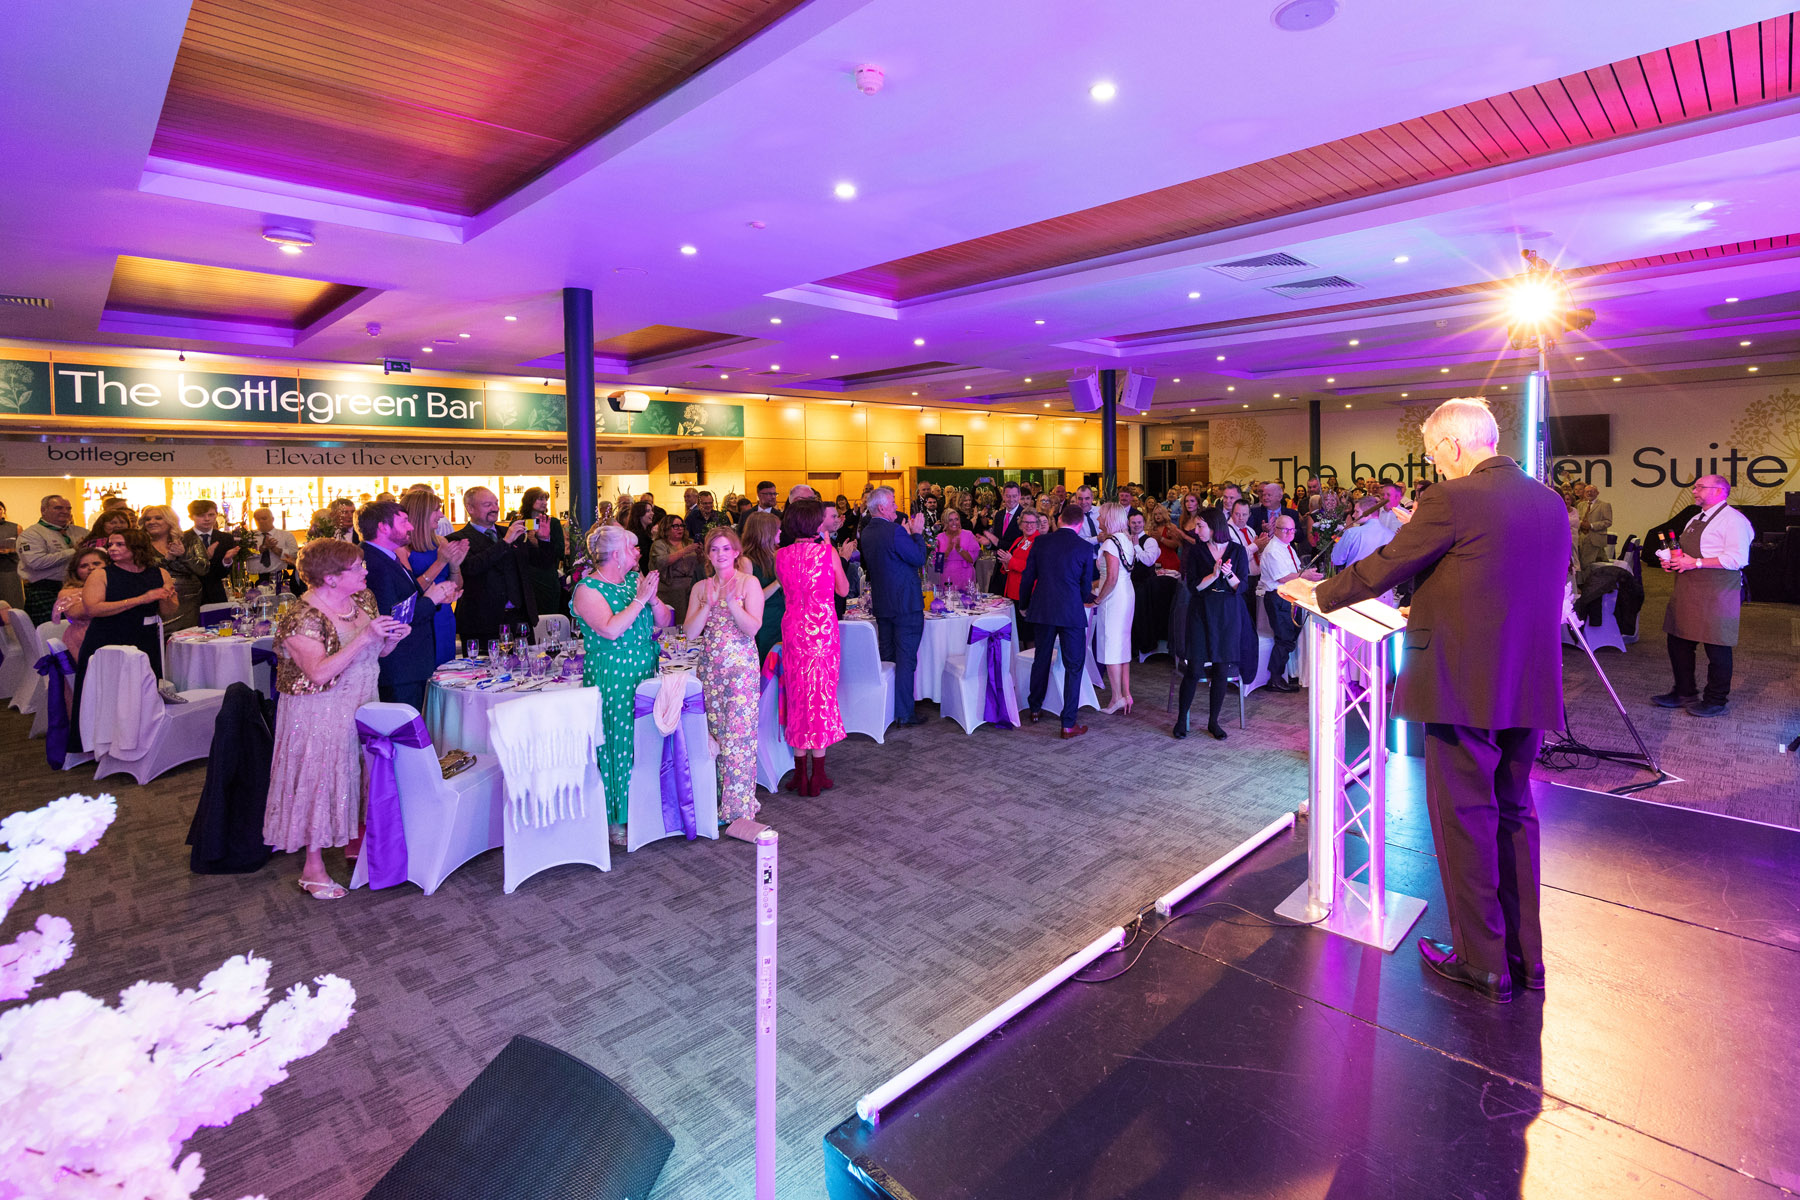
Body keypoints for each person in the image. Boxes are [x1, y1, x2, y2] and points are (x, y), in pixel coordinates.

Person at [1282, 397, 1567, 1004]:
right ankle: (1526, 958)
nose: (1434, 464)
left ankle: (1482, 962)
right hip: (1527, 682)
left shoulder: (1451, 498)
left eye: (1435, 453)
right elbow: (1502, 581)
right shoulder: (1548, 501)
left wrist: (1317, 593)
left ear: (1454, 446)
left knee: (1465, 820)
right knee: (1515, 815)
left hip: (1461, 685)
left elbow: (1386, 565)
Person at [264, 538, 408, 900]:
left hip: (363, 700)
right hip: (319, 710)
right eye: (356, 567)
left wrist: (391, 639)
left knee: (359, 774)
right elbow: (317, 673)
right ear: (330, 578)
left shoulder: (363, 599)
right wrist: (365, 638)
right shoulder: (302, 617)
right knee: (320, 781)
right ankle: (312, 869)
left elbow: (376, 652)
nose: (365, 570)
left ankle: (355, 842)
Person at [571, 523, 672, 843]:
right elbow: (611, 629)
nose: (637, 552)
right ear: (616, 554)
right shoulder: (588, 589)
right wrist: (640, 601)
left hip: (644, 670)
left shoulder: (633, 581)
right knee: (618, 743)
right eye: (631, 547)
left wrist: (652, 600)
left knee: (645, 740)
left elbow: (666, 620)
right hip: (613, 674)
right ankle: (617, 819)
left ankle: (645, 808)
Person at [685, 527, 764, 834]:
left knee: (738, 738)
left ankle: (739, 807)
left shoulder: (748, 583)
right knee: (714, 735)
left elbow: (753, 628)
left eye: (725, 548)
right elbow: (691, 632)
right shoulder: (701, 588)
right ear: (708, 554)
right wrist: (707, 604)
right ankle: (718, 801)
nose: (720, 554)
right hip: (710, 669)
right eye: (714, 549)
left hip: (741, 670)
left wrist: (732, 603)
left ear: (736, 552)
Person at [1655, 474, 1754, 717]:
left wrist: (1696, 563)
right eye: (1694, 487)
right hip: (1688, 588)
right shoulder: (1695, 518)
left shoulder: (1734, 521)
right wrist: (1674, 561)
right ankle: (1684, 692)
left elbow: (1737, 559)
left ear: (1719, 491)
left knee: (1717, 646)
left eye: (1700, 487)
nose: (1694, 491)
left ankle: (1715, 700)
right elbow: (1685, 552)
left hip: (1717, 591)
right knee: (1678, 640)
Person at [70, 529, 178, 752]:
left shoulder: (159, 573)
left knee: (144, 690)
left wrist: (167, 597)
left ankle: (144, 741)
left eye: (119, 544)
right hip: (108, 637)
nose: (112, 549)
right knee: (109, 691)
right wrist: (142, 599)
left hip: (145, 637)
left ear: (137, 547)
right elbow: (93, 609)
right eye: (110, 545)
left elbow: (168, 611)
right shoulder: (101, 575)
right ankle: (103, 743)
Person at [775, 499, 848, 795]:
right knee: (820, 697)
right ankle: (817, 773)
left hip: (794, 630)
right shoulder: (827, 552)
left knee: (797, 696)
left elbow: (787, 587)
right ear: (814, 524)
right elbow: (843, 589)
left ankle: (799, 773)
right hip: (823, 634)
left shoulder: (780, 555)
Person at [360, 500, 459, 709]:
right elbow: (392, 618)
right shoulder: (375, 563)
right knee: (403, 726)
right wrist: (431, 600)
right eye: (404, 521)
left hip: (410, 665)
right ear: (383, 527)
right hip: (398, 667)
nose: (411, 527)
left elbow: (406, 600)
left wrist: (436, 598)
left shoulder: (388, 557)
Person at [1018, 502, 1097, 739]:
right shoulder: (1084, 547)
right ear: (1080, 524)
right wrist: (1082, 599)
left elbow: (1028, 576)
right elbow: (1085, 587)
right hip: (1071, 612)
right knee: (1074, 666)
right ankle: (1068, 723)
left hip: (1043, 608)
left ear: (1059, 519)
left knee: (1041, 658)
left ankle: (1034, 708)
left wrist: (1024, 604)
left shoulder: (1041, 542)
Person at [857, 487, 929, 726]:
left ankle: (887, 710)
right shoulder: (895, 531)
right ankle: (905, 713)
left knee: (888, 658)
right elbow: (918, 558)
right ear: (881, 507)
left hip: (883, 603)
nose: (896, 507)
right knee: (906, 659)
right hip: (905, 604)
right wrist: (916, 534)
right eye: (893, 503)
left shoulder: (867, 532)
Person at [1174, 509, 1248, 741]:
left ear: (1214, 526)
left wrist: (1229, 575)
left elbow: (1242, 587)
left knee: (1221, 670)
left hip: (1227, 614)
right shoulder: (1196, 551)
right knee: (1194, 669)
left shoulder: (1237, 551)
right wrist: (1214, 575)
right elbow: (1193, 586)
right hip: (1201, 611)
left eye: (1200, 526)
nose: (1196, 531)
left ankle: (1213, 721)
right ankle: (1181, 719)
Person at [448, 487, 538, 645]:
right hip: (481, 623)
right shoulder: (456, 539)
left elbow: (538, 563)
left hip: (519, 619)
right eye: (487, 504)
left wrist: (543, 540)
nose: (495, 508)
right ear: (470, 508)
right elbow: (471, 568)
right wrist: (505, 542)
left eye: (496, 503)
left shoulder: (511, 533)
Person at [396, 490, 465, 669]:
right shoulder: (402, 549)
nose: (441, 515)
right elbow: (410, 591)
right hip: (420, 617)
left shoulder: (441, 542)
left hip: (444, 616)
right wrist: (440, 562)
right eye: (436, 510)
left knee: (446, 670)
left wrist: (455, 565)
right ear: (421, 514)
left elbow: (456, 587)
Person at [1258, 514, 1320, 692]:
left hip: (1290, 596)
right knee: (1284, 638)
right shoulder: (1273, 550)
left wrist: (1307, 573)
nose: (1289, 533)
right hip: (1278, 597)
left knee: (1290, 636)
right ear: (1276, 530)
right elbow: (1282, 577)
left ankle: (1282, 675)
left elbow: (1294, 570)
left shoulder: (1287, 547)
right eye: (1285, 530)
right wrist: (1305, 575)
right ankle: (1275, 678)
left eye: (1292, 530)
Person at [1091, 502, 1137, 715]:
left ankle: (1117, 697)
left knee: (1111, 646)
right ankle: (1126, 694)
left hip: (1113, 598)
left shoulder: (1110, 543)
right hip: (1126, 593)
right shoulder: (1125, 539)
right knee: (1122, 645)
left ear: (1109, 519)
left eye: (1101, 515)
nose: (1098, 519)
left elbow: (1111, 577)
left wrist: (1098, 600)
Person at [20, 495, 87, 624]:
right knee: (53, 629)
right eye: (58, 508)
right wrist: (73, 551)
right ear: (43, 510)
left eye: (68, 508)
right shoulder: (31, 534)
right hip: (45, 589)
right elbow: (36, 562)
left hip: (78, 587)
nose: (65, 512)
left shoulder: (81, 532)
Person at [140, 506, 205, 632]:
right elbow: (140, 568)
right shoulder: (140, 544)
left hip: (187, 599)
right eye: (148, 519)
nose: (152, 522)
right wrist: (167, 559)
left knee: (184, 638)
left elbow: (203, 569)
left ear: (170, 520)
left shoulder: (189, 540)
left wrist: (184, 555)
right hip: (153, 597)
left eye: (158, 518)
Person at [740, 512, 786, 663]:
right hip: (763, 621)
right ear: (765, 532)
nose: (780, 531)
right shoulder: (746, 561)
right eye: (776, 529)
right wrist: (778, 582)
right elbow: (747, 600)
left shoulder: (776, 555)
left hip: (781, 617)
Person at [51, 546, 110, 659]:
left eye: (96, 563)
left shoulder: (115, 585)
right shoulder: (68, 592)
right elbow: (74, 613)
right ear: (76, 571)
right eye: (84, 566)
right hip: (83, 638)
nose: (91, 568)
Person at [517, 486, 566, 618]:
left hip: (547, 576)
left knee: (548, 615)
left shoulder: (553, 523)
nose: (544, 502)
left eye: (545, 499)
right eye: (540, 499)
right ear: (529, 500)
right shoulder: (519, 523)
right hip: (526, 578)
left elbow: (560, 550)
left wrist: (539, 542)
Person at [185, 500, 242, 606]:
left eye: (211, 515)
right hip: (190, 595)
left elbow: (222, 574)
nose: (207, 519)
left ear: (216, 515)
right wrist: (204, 558)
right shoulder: (183, 539)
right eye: (201, 515)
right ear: (191, 517)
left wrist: (226, 561)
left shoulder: (225, 538)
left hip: (216, 594)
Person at [650, 513, 704, 616]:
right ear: (666, 528)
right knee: (673, 619)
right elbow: (662, 561)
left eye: (682, 526)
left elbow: (701, 563)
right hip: (669, 589)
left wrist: (700, 554)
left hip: (690, 586)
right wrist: (685, 551)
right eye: (675, 526)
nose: (680, 529)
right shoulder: (659, 544)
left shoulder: (689, 542)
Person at [245, 508, 299, 588]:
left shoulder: (286, 535)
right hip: (254, 578)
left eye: (264, 518)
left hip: (278, 576)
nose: (261, 521)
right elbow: (242, 555)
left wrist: (276, 550)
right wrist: (260, 550)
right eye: (257, 519)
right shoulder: (248, 536)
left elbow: (295, 555)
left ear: (272, 519)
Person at [934, 508, 980, 591]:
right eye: (950, 520)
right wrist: (948, 550)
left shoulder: (968, 534)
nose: (954, 523)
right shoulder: (939, 538)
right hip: (947, 577)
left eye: (956, 519)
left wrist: (959, 549)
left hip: (966, 576)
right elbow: (938, 565)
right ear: (944, 522)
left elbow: (972, 559)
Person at [1575, 484, 1613, 580]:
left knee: (1587, 563)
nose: (1589, 493)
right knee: (1582, 562)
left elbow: (1608, 522)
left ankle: (1588, 584)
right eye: (1587, 491)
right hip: (1581, 538)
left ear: (1597, 493)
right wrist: (1581, 523)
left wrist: (1591, 525)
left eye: (1592, 491)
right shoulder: (1580, 505)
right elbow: (1577, 519)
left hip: (1595, 538)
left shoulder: (1604, 505)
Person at [1004, 510, 1041, 604]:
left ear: (1037, 524)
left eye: (1032, 522)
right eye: (1026, 522)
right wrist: (1006, 565)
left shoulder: (1039, 541)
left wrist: (1011, 561)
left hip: (1026, 592)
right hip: (1012, 589)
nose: (1029, 525)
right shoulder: (1018, 539)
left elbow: (1034, 567)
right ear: (1020, 524)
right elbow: (1011, 563)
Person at [0, 501, 21, 610]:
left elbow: (25, 549)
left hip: (10, 571)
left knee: (12, 605)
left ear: (3, 511)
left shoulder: (16, 527)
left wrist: (11, 550)